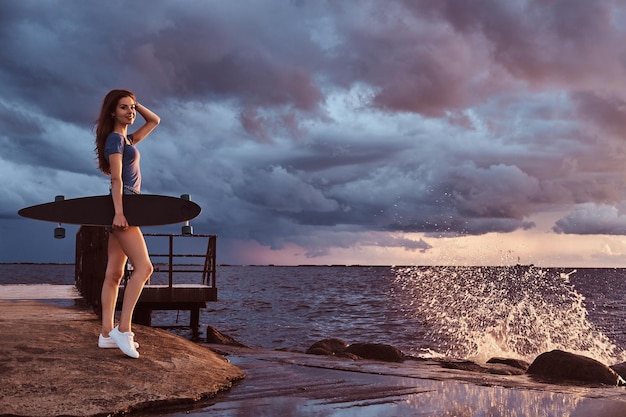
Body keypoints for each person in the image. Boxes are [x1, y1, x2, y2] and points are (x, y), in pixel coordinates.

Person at [94, 89, 160, 358]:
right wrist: (120, 213)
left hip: (123, 205)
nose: (131, 112)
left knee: (114, 274)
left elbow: (154, 121)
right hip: (125, 205)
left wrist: (135, 102)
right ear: (112, 112)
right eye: (123, 108)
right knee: (144, 268)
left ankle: (106, 334)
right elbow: (116, 180)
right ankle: (124, 329)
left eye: (131, 108)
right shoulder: (115, 141)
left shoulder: (127, 139)